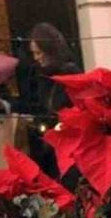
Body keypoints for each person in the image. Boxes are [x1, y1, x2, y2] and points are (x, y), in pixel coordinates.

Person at [25, 22, 80, 176]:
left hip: (65, 145)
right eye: (34, 53)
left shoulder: (68, 73)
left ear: (50, 50)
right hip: (50, 144)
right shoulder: (41, 75)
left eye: (39, 53)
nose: (36, 58)